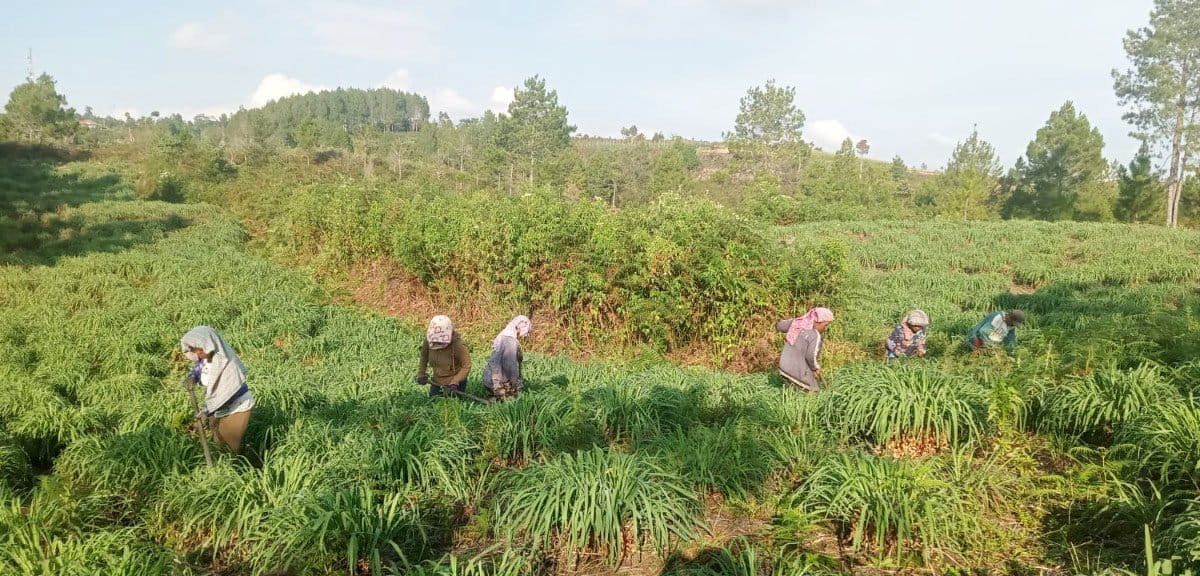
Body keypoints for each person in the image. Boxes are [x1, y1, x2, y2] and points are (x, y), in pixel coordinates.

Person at [181, 326, 254, 454]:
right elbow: (199, 369)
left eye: (200, 349)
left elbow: (228, 395)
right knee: (217, 446)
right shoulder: (204, 360)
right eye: (194, 350)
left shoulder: (225, 364)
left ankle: (234, 471)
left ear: (209, 344)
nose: (198, 354)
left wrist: (207, 412)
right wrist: (192, 377)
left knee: (227, 450)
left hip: (236, 407)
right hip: (218, 409)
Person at [776, 307, 835, 392]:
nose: (825, 329)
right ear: (817, 322)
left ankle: (791, 400)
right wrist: (815, 368)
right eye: (825, 325)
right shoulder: (815, 335)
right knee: (814, 390)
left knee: (793, 389)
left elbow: (780, 325)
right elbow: (810, 356)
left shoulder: (797, 323)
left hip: (783, 368)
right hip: (796, 371)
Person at [417, 315, 471, 397]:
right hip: (437, 380)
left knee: (453, 405)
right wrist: (421, 373)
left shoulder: (458, 345)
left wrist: (455, 381)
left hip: (454, 383)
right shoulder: (428, 341)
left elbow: (466, 366)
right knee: (433, 402)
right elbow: (424, 356)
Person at [483, 315, 532, 400]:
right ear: (519, 328)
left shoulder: (503, 335)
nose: (525, 335)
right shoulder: (509, 341)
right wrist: (515, 384)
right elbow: (511, 366)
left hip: (489, 379)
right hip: (496, 382)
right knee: (513, 401)